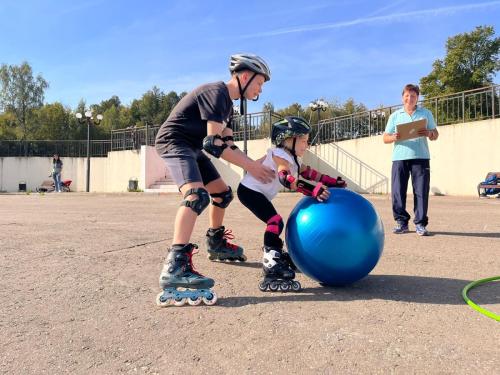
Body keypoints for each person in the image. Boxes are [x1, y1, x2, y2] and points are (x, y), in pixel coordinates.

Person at [155, 53, 275, 306]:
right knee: (196, 196)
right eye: (259, 83)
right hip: (175, 142)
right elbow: (214, 144)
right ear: (244, 76)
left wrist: (254, 165)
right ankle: (175, 265)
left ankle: (216, 241)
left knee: (222, 193)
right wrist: (252, 167)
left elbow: (227, 145)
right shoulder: (216, 93)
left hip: (193, 147)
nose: (260, 89)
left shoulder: (228, 107)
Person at [237, 116, 346, 292]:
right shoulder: (280, 155)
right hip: (249, 191)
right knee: (275, 221)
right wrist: (312, 189)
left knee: (275, 221)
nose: (306, 145)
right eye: (303, 140)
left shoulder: (294, 159)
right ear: (287, 140)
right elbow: (284, 177)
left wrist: (333, 182)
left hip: (255, 191)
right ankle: (270, 262)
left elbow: (311, 173)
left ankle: (276, 254)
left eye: (307, 141)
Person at [383, 84, 439, 236]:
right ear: (403, 98)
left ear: (417, 98)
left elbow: (435, 134)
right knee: (397, 191)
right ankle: (402, 222)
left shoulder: (425, 113)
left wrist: (428, 133)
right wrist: (394, 137)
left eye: (413, 96)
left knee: (421, 191)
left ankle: (420, 224)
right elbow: (385, 138)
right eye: (407, 95)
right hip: (399, 158)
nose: (410, 98)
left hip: (421, 157)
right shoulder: (394, 116)